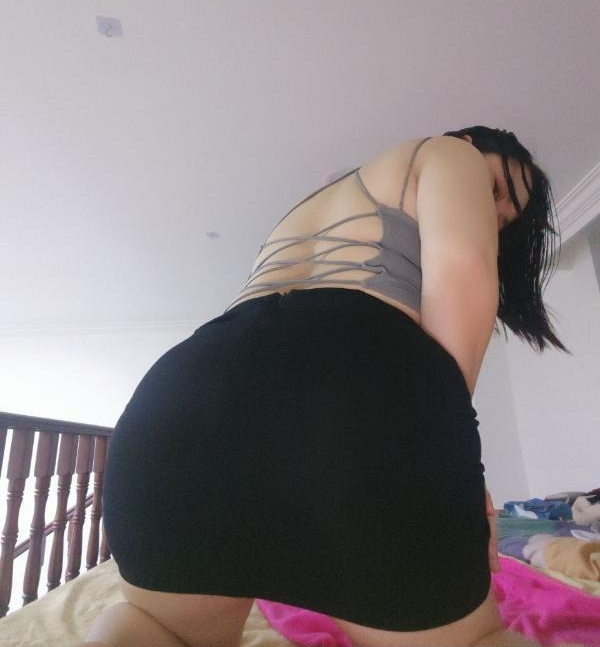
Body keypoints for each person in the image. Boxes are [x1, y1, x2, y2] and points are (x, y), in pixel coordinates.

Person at [83, 127, 575, 647]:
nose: (492, 215)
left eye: (504, 220)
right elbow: (462, 269)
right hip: (347, 387)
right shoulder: (452, 153)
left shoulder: (307, 207)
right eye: (494, 191)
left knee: (156, 626)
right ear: (471, 145)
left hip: (178, 399)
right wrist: (458, 465)